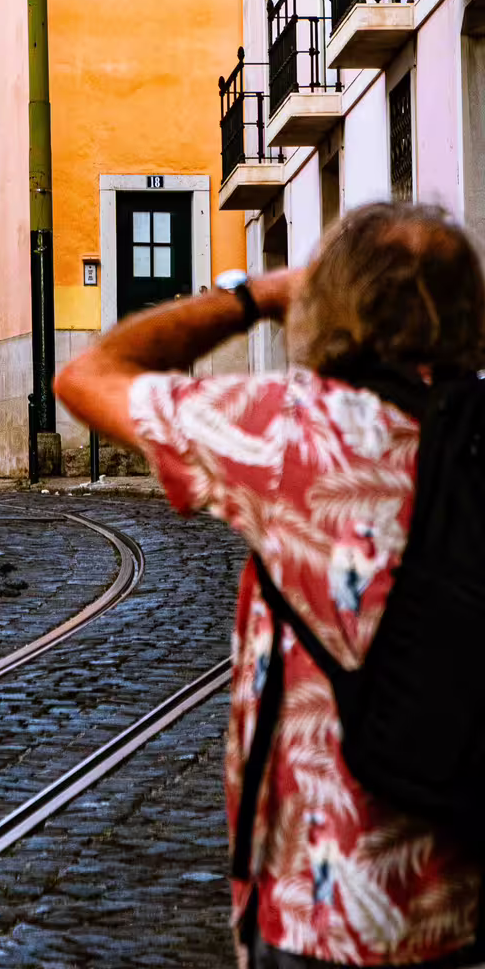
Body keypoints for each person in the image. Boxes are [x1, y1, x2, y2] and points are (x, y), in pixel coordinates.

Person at [54, 202, 484, 969]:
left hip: (331, 910)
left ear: (335, 302)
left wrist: (257, 295)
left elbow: (87, 377)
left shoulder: (294, 433)